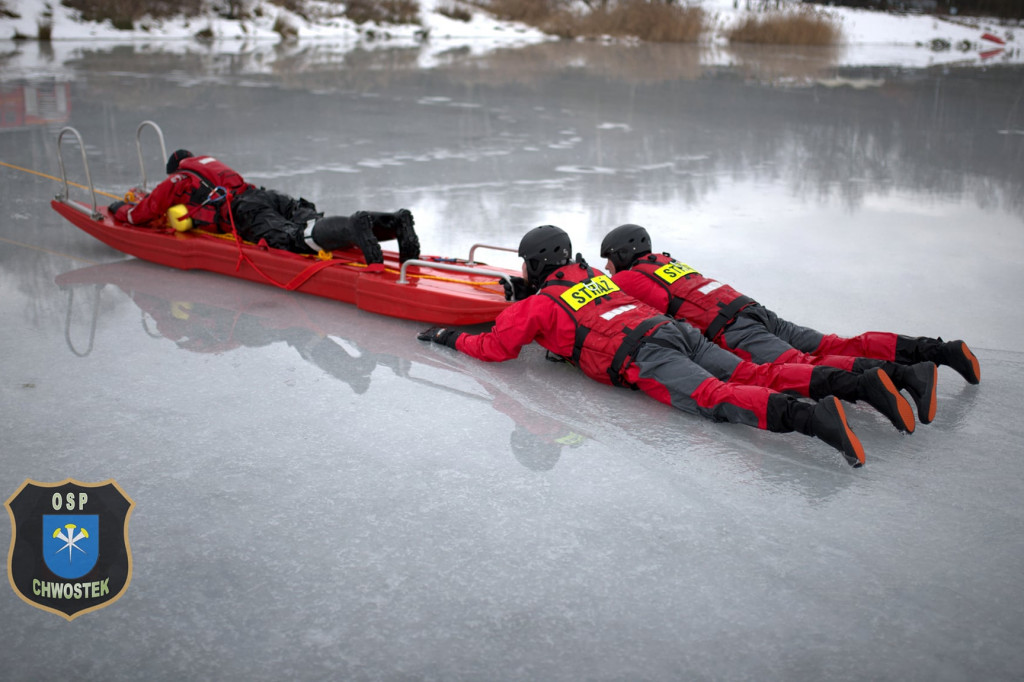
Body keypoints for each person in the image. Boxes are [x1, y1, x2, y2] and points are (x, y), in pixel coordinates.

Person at [418, 226, 923, 468]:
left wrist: (450, 337)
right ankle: (857, 382)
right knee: (753, 373)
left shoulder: (537, 305)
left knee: (715, 397)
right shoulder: (592, 275)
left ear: (531, 267)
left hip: (646, 356)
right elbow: (576, 299)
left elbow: (499, 347)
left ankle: (814, 419)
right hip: (676, 333)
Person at [599, 223, 982, 425]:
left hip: (736, 330)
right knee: (834, 344)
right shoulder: (666, 262)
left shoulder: (629, 279)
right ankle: (937, 351)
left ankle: (903, 378)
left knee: (800, 367)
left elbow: (636, 319)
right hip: (753, 309)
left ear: (621, 256)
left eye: (608, 261)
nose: (606, 269)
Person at [107, 149, 420, 265]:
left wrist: (119, 208)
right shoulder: (210, 165)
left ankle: (354, 225)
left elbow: (141, 214)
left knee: (296, 239)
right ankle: (395, 221)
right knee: (309, 222)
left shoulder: (179, 179)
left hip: (246, 211)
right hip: (267, 196)